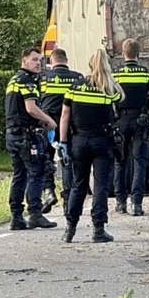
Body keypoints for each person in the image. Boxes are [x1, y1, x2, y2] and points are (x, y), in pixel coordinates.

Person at [58, 49, 123, 243]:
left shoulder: (75, 86)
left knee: (78, 185)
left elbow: (64, 116)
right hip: (102, 141)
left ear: (89, 64)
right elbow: (122, 97)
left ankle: (70, 229)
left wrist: (62, 142)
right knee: (101, 186)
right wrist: (109, 77)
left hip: (79, 142)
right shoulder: (108, 88)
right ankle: (98, 229)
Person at [5, 48, 58, 230]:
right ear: (24, 61)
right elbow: (31, 108)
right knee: (36, 173)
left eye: (41, 60)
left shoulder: (14, 79)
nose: (38, 63)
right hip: (27, 136)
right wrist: (49, 120)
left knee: (19, 175)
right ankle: (35, 213)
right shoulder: (28, 81)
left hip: (13, 134)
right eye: (34, 60)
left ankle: (16, 217)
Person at [112, 38, 149, 216]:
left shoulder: (116, 74)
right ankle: (137, 204)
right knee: (139, 161)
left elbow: (110, 98)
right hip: (141, 121)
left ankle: (120, 202)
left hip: (120, 121)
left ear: (122, 54)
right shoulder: (146, 73)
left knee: (120, 161)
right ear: (138, 54)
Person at [39, 48, 84, 213]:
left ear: (51, 61)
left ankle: (49, 191)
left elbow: (36, 101)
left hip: (48, 124)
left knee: (46, 159)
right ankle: (68, 202)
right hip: (69, 126)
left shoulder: (43, 78)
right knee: (67, 161)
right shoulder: (77, 78)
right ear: (66, 60)